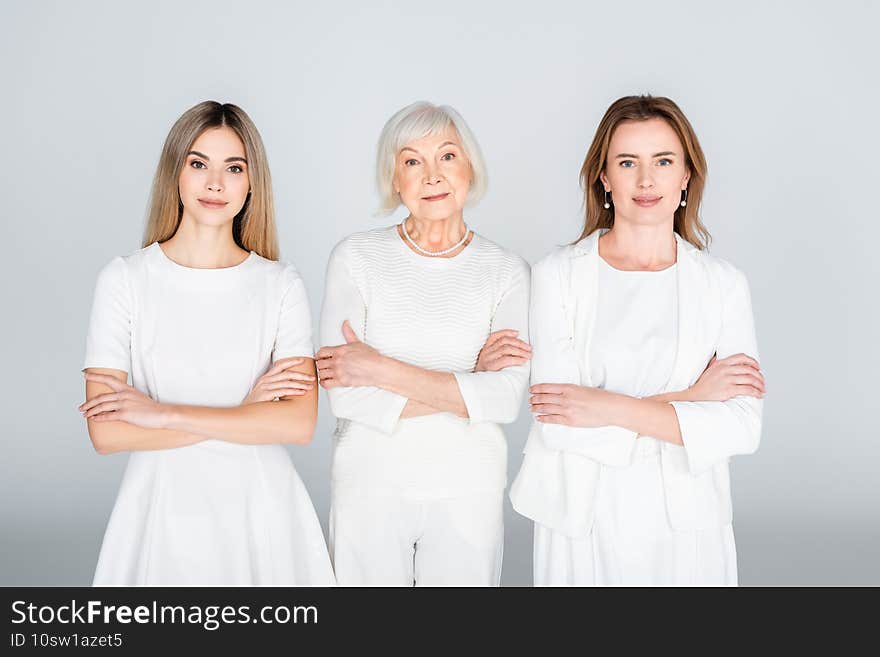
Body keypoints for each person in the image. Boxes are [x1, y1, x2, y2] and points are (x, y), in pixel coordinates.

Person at [510, 95, 765, 586]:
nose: (646, 181)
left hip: (686, 522)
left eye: (663, 161)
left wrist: (601, 406)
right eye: (628, 162)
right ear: (604, 177)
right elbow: (559, 420)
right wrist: (692, 399)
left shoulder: (723, 284)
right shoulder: (556, 276)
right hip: (581, 517)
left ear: (686, 175)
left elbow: (740, 427)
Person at [79, 101, 335, 586]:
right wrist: (245, 412)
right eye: (198, 164)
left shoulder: (280, 284)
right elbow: (107, 434)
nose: (215, 183)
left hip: (262, 512)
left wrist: (163, 412)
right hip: (160, 512)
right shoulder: (125, 280)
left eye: (233, 168)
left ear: (251, 181)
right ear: (174, 173)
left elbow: (299, 423)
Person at [317, 101, 531, 586]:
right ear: (394, 178)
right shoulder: (356, 258)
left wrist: (379, 369)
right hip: (368, 482)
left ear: (470, 167)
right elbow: (345, 393)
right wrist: (467, 385)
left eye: (448, 156)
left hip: (468, 486)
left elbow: (502, 399)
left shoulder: (506, 271)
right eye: (412, 160)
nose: (432, 174)